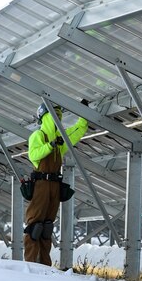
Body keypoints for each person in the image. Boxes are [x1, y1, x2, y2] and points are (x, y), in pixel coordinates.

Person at [23, 101, 88, 266]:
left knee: (46, 227)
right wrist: (50, 146)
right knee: (35, 226)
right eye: (54, 115)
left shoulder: (61, 140)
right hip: (40, 184)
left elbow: (77, 131)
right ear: (45, 116)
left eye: (59, 115)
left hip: (54, 185)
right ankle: (30, 264)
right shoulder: (38, 136)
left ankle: (45, 265)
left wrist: (82, 112)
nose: (57, 118)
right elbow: (34, 154)